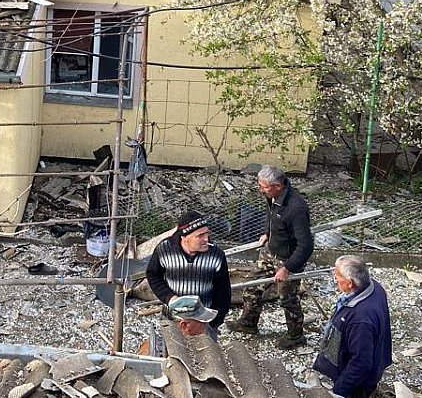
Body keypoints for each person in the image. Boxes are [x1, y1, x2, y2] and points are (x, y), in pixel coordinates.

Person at [226, 165, 314, 348]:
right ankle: (248, 323)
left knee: (288, 300)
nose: (260, 190)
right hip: (270, 251)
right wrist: (267, 233)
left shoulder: (296, 208)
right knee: (251, 287)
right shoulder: (272, 197)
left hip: (288, 259)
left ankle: (296, 336)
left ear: (278, 186)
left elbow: (306, 246)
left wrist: (287, 267)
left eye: (263, 187)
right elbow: (271, 216)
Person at [313, 255, 393, 398]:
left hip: (359, 382)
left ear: (350, 283)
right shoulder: (374, 287)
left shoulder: (360, 320)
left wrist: (340, 389)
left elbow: (360, 364)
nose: (335, 278)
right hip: (376, 359)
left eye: (337, 275)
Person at [146, 210, 231, 337]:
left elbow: (223, 292)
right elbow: (153, 275)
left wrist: (213, 322)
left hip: (203, 323)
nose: (206, 239)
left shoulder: (216, 255)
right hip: (172, 319)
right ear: (184, 237)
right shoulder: (164, 249)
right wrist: (170, 298)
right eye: (200, 235)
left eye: (206, 233)